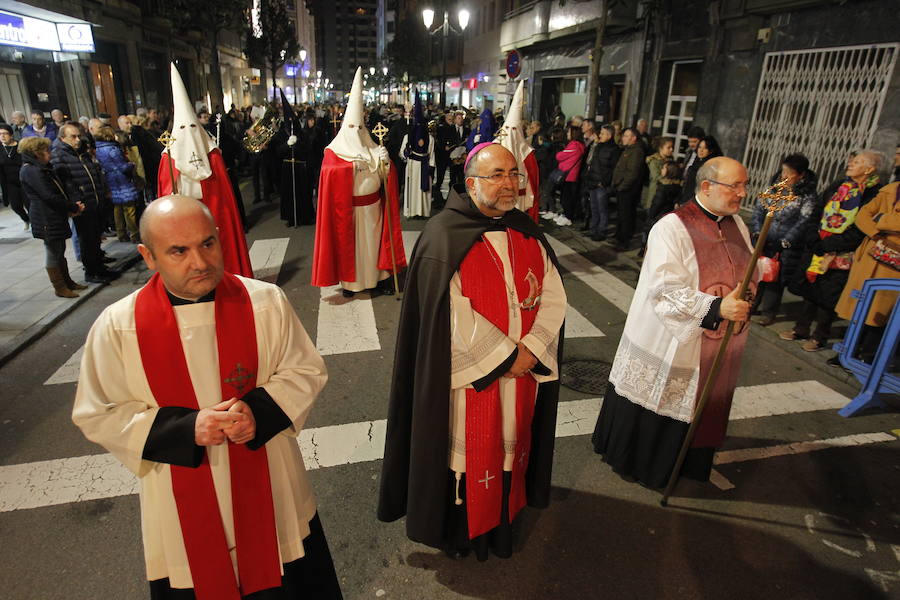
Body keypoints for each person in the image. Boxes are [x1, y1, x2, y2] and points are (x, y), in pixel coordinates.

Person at [72, 195, 342, 599]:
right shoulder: (119, 326)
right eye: (178, 251)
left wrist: (259, 412)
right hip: (181, 501)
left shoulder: (264, 302)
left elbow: (305, 369)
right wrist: (184, 428)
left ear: (220, 238)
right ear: (148, 256)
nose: (199, 262)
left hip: (269, 482)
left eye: (207, 244)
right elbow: (98, 413)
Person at [378, 143, 566, 561]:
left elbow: (552, 293)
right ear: (471, 183)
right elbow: (447, 314)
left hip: (522, 373)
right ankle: (462, 533)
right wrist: (505, 357)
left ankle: (503, 521)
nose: (508, 185)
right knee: (470, 453)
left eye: (513, 174)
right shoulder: (445, 234)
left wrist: (532, 349)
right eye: (496, 175)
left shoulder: (526, 229)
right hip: (471, 378)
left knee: (512, 445)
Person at [592, 156, 755, 488]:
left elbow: (744, 267)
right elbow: (664, 289)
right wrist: (718, 308)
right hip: (671, 336)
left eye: (745, 185)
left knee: (703, 401)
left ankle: (691, 463)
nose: (742, 193)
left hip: (714, 338)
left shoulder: (736, 224)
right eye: (734, 185)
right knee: (661, 398)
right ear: (706, 186)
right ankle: (645, 465)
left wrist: (758, 275)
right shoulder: (672, 227)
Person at [311, 67, 406, 297]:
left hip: (373, 210)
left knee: (374, 247)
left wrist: (386, 164)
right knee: (351, 248)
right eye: (352, 127)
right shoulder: (334, 151)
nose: (356, 131)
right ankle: (350, 284)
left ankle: (380, 279)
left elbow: (386, 179)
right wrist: (351, 167)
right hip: (349, 212)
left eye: (359, 127)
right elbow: (329, 173)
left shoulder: (374, 147)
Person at [157, 63, 252, 277]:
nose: (189, 134)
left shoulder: (212, 153)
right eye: (183, 129)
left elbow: (223, 192)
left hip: (213, 212)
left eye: (192, 127)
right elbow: (164, 192)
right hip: (183, 215)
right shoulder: (168, 156)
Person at [783, 150, 884, 351]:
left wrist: (830, 245)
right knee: (810, 289)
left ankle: (820, 336)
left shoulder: (874, 193)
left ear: (869, 169)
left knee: (828, 295)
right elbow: (818, 209)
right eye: (852, 160)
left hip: (843, 252)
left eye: (857, 162)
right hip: (818, 244)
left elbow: (860, 229)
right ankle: (800, 329)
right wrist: (814, 236)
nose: (851, 163)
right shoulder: (840, 184)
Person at [833, 179, 900, 364]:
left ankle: (867, 357)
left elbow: (884, 218)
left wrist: (881, 219)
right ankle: (846, 352)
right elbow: (863, 215)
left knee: (881, 312)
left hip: (893, 263)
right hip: (872, 252)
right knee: (859, 304)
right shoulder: (891, 190)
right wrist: (876, 233)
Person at [749, 154, 819, 326]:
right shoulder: (774, 188)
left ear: (801, 175)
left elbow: (804, 220)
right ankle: (750, 305)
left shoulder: (806, 195)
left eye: (790, 173)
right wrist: (758, 231)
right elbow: (759, 210)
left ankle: (769, 312)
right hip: (764, 239)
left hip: (785, 245)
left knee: (775, 279)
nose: (784, 176)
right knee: (756, 273)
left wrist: (787, 241)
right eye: (783, 171)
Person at [19, 136, 87, 297]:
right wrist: (72, 207)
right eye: (46, 150)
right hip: (45, 217)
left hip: (52, 215)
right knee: (53, 252)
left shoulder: (41, 168)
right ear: (36, 153)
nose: (49, 153)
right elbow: (48, 196)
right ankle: (59, 287)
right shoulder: (31, 170)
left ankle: (67, 281)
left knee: (60, 250)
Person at [52, 122, 117, 284]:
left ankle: (100, 267)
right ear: (62, 138)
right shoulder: (60, 155)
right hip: (82, 204)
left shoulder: (82, 153)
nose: (77, 140)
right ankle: (92, 271)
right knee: (86, 240)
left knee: (95, 237)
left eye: (79, 136)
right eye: (73, 137)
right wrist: (75, 201)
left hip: (94, 200)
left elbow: (94, 173)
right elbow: (64, 182)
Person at [496, 81, 541, 222]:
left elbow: (532, 179)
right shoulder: (495, 148)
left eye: (514, 131)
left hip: (520, 199)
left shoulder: (526, 152)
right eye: (508, 131)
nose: (511, 135)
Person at [95, 126, 141, 243]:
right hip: (122, 181)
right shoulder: (113, 149)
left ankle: (121, 233)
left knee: (118, 208)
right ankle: (134, 234)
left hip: (111, 180)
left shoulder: (99, 149)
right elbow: (122, 167)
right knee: (129, 209)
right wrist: (131, 164)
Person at [581, 125, 620, 241]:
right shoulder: (598, 147)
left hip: (602, 184)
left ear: (609, 135)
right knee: (594, 207)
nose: (600, 135)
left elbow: (614, 169)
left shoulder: (614, 150)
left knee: (602, 208)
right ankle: (593, 229)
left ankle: (601, 231)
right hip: (593, 182)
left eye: (603, 133)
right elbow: (592, 164)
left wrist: (604, 182)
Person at [400, 93, 435, 218]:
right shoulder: (408, 137)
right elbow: (402, 152)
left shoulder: (430, 138)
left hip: (424, 166)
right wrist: (406, 153)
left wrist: (431, 167)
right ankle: (412, 211)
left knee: (423, 191)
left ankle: (423, 212)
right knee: (413, 189)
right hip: (413, 165)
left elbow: (431, 154)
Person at [611, 127, 647, 250]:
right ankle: (619, 236)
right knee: (621, 214)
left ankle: (624, 241)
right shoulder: (628, 149)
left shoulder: (636, 151)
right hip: (623, 188)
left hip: (628, 190)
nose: (623, 138)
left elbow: (633, 173)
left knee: (626, 215)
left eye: (626, 136)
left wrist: (622, 186)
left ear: (633, 138)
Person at [553, 124, 585, 226]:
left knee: (567, 197)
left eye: (569, 132)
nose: (567, 133)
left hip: (570, 175)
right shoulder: (577, 144)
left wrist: (561, 162)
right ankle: (566, 214)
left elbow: (560, 156)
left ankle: (568, 216)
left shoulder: (575, 145)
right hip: (570, 175)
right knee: (566, 196)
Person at [0, 123, 29, 229]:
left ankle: (35, 222)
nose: (2, 136)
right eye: (0, 134)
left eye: (5, 133)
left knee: (29, 203)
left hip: (24, 180)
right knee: (16, 206)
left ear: (11, 135)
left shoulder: (20, 146)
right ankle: (26, 219)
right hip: (10, 182)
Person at [681, 136, 723, 207]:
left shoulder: (711, 167)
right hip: (686, 201)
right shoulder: (696, 162)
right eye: (700, 147)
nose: (701, 150)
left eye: (705, 148)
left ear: (711, 150)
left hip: (697, 204)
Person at [643, 136, 674, 210]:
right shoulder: (654, 160)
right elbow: (655, 177)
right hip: (656, 193)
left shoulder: (670, 160)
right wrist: (663, 174)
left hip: (667, 194)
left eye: (672, 147)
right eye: (668, 147)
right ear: (661, 148)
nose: (671, 150)